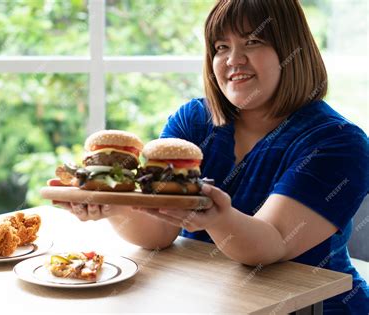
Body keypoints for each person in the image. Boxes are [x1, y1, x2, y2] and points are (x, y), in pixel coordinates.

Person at [53, 0, 369, 313]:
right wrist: (111, 204)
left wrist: (217, 217)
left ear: (291, 50)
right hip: (209, 302)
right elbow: (157, 234)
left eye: (253, 41)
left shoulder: (339, 142)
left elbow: (272, 244)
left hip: (312, 307)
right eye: (221, 46)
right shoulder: (194, 120)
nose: (234, 59)